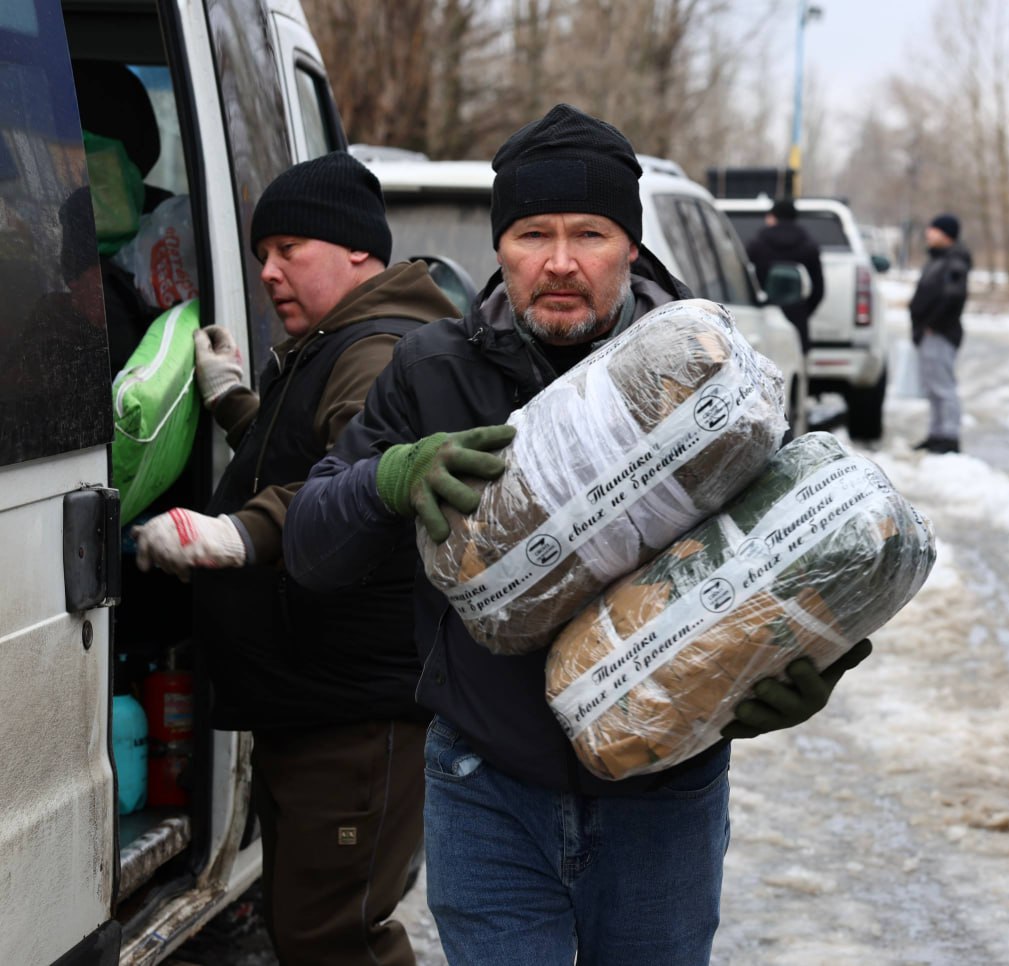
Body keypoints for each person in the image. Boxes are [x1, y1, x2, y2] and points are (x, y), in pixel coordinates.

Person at [283, 104, 872, 965]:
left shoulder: (710, 382)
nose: (559, 262)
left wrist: (809, 664)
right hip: (486, 786)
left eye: (589, 234)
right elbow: (309, 549)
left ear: (630, 246)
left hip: (663, 794)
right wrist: (391, 476)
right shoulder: (433, 371)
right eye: (533, 234)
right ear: (501, 248)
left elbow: (795, 556)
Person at [131, 151, 460, 966]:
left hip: (356, 712)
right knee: (307, 927)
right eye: (261, 255)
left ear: (357, 248)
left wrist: (236, 533)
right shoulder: (335, 339)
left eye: (288, 250)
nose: (268, 273)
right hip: (318, 700)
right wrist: (236, 403)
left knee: (336, 937)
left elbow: (351, 480)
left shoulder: (377, 349)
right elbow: (309, 455)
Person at [909, 212, 971, 454]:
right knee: (932, 386)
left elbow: (953, 297)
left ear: (946, 234)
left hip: (941, 333)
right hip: (930, 332)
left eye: (934, 229)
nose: (928, 233)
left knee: (943, 387)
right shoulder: (939, 259)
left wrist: (933, 324)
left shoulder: (954, 261)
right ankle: (937, 434)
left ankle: (949, 436)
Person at [746, 198, 825, 352]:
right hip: (797, 319)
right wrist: (802, 310)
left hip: (763, 318)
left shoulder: (757, 245)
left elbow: (745, 281)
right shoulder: (809, 246)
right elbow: (819, 290)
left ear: (772, 217)